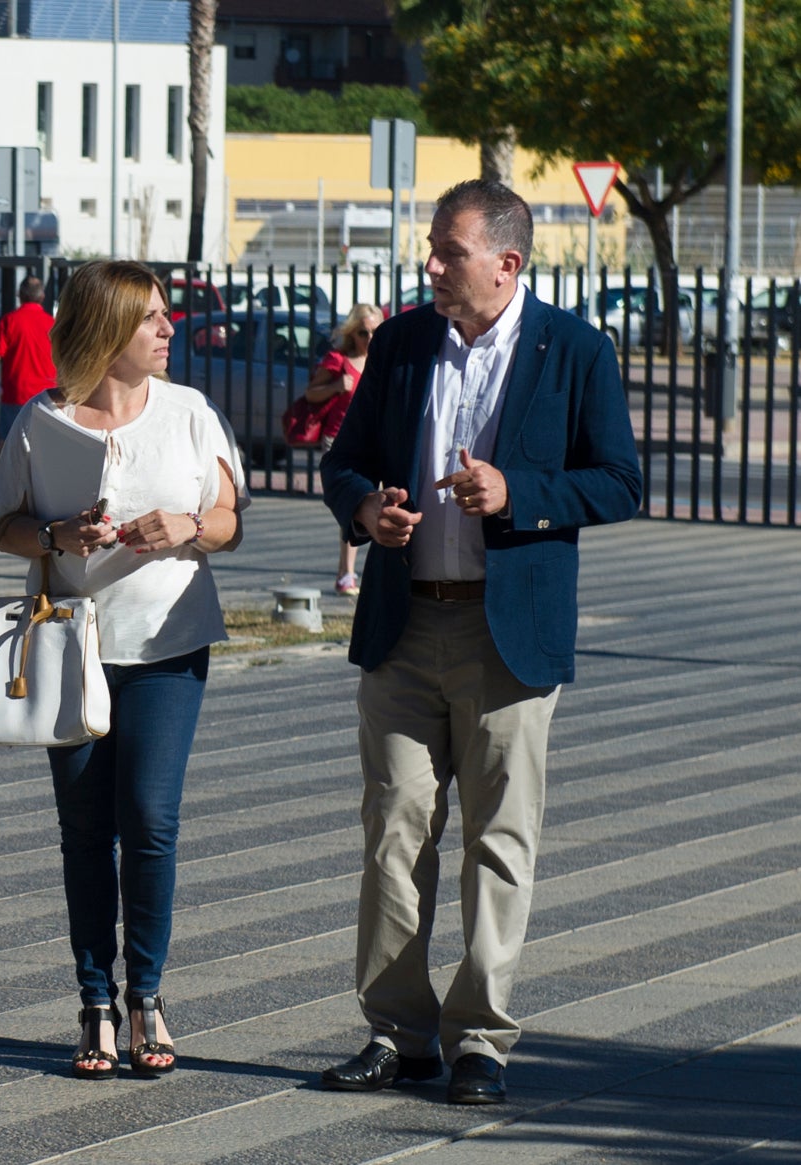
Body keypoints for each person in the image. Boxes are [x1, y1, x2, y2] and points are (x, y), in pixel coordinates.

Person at [318, 180, 641, 1106]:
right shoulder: (407, 343)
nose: (430, 266)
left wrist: (521, 495)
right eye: (431, 247)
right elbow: (344, 459)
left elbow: (619, 481)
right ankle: (398, 1032)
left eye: (446, 252)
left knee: (500, 841)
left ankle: (481, 1041)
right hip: (406, 622)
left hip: (511, 636)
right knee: (393, 832)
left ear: (507, 262)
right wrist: (365, 505)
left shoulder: (575, 349)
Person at [0, 260, 247, 1080]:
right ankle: (94, 999)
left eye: (167, 317)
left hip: (169, 643)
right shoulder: (41, 421)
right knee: (87, 830)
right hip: (73, 646)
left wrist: (190, 525)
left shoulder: (191, 413)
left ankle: (147, 995)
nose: (170, 330)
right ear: (107, 330)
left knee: (151, 819)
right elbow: (0, 526)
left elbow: (232, 520)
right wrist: (61, 535)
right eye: (153, 318)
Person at [302, 303, 384, 596]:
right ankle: (346, 574)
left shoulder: (383, 360)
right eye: (363, 332)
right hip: (341, 441)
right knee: (356, 504)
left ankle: (369, 573)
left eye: (376, 331)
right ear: (352, 333)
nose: (370, 338)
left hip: (379, 440)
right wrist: (338, 384)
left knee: (385, 505)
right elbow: (312, 393)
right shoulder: (338, 359)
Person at [0, 275, 57, 458]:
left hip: (15, 394)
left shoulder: (10, 321)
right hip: (47, 395)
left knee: (8, 441)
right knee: (45, 445)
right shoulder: (53, 325)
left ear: (19, 295)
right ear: (42, 297)